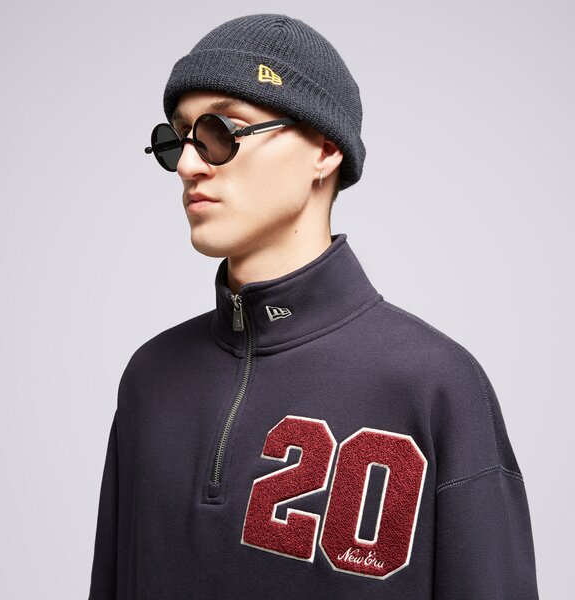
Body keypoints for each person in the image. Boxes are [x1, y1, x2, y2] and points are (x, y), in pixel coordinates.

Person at [88, 13, 539, 599]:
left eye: (221, 131)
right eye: (178, 138)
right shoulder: (151, 378)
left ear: (324, 150)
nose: (188, 165)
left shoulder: (435, 385)